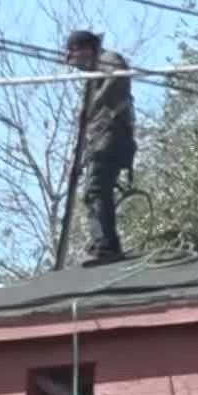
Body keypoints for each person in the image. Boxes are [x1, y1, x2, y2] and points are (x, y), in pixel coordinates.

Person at [63, 29, 136, 265]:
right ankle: (102, 241)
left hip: (113, 136)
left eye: (73, 52)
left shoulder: (108, 59)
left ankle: (107, 245)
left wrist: (95, 103)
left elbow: (119, 75)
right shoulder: (94, 74)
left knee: (96, 189)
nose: (69, 59)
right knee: (92, 192)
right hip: (101, 139)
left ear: (87, 49)